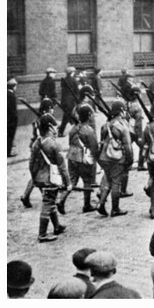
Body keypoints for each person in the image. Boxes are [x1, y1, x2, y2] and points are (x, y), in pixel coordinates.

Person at [29, 114, 70, 242]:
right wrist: (68, 183)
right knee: (48, 204)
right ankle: (42, 234)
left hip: (39, 179)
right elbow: (62, 166)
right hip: (50, 179)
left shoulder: (37, 142)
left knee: (50, 201)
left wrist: (34, 177)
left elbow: (31, 163)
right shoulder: (54, 145)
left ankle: (57, 226)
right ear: (51, 127)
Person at [56, 105, 100, 214]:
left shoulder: (73, 129)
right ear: (89, 116)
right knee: (87, 181)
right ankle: (87, 205)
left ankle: (61, 200)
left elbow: (71, 142)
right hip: (83, 158)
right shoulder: (89, 130)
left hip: (72, 156)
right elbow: (94, 147)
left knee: (72, 181)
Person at [96, 99, 132, 217]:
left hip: (104, 157)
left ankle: (101, 203)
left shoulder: (105, 125)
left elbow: (101, 142)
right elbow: (128, 146)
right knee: (116, 182)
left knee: (107, 180)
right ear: (121, 112)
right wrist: (129, 160)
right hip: (117, 157)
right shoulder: (122, 126)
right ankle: (115, 209)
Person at [58, 66, 80, 137]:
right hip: (70, 101)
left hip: (64, 101)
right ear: (71, 73)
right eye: (73, 72)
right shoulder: (73, 80)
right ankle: (60, 131)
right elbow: (77, 91)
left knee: (71, 115)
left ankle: (77, 128)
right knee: (67, 116)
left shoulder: (64, 80)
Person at [7, 78, 18, 157]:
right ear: (13, 86)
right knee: (10, 136)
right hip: (11, 120)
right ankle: (8, 152)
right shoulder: (11, 96)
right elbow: (12, 110)